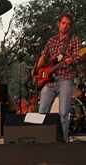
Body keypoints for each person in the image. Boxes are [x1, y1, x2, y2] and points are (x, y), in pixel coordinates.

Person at [32, 13, 81, 141]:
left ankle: (63, 142)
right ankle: (41, 139)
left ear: (70, 26)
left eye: (68, 24)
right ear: (58, 23)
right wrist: (36, 68)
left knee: (63, 113)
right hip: (49, 81)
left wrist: (72, 60)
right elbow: (44, 56)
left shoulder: (74, 39)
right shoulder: (51, 40)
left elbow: (77, 58)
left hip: (65, 78)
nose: (65, 26)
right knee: (42, 111)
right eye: (63, 23)